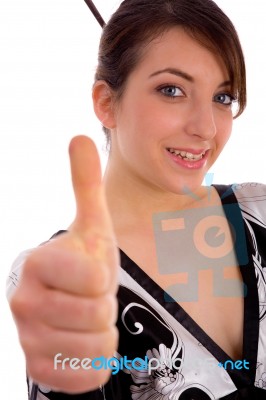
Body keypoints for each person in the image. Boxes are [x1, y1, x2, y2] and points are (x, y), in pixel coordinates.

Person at [6, 0, 266, 398]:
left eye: (223, 96)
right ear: (106, 102)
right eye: (172, 90)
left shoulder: (259, 212)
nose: (206, 127)